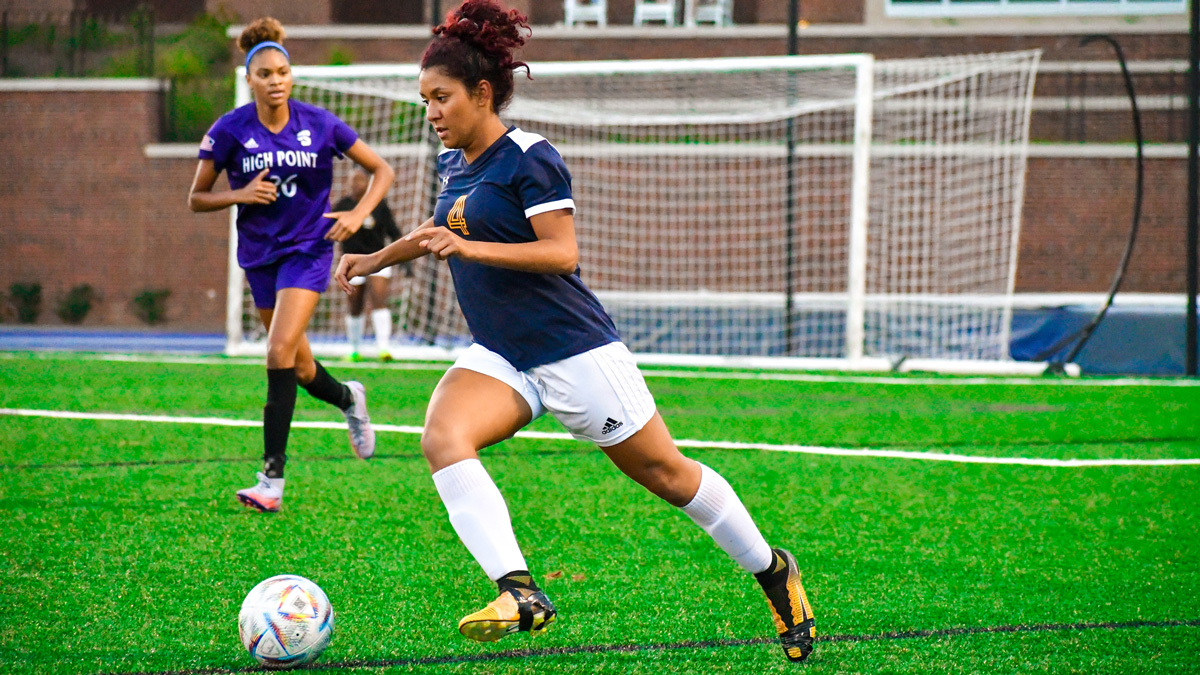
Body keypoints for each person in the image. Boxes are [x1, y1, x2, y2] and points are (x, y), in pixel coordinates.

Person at [334, 0, 815, 663]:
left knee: (670, 475)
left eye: (441, 98)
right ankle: (520, 590)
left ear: (481, 93)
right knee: (444, 435)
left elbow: (560, 253)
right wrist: (373, 258)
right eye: (425, 100)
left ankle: (772, 569)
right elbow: (435, 234)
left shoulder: (530, 156)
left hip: (575, 352)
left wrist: (470, 249)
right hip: (504, 354)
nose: (431, 112)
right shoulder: (454, 165)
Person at [188, 17, 396, 513]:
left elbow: (381, 170)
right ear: (250, 79)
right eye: (265, 74)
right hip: (260, 255)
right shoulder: (229, 130)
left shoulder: (319, 122)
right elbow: (196, 198)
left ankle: (271, 480)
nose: (276, 80)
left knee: (277, 351)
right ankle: (350, 399)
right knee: (299, 366)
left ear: (291, 74)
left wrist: (359, 214)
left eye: (283, 71)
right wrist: (239, 193)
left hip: (308, 249)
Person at [332, 170, 404, 362]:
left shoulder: (379, 205)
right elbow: (328, 229)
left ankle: (384, 348)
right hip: (353, 262)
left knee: (379, 298)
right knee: (354, 303)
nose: (357, 184)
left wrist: (406, 262)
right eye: (353, 180)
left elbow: (393, 231)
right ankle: (355, 349)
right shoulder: (344, 205)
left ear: (368, 183)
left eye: (361, 180)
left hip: (377, 260)